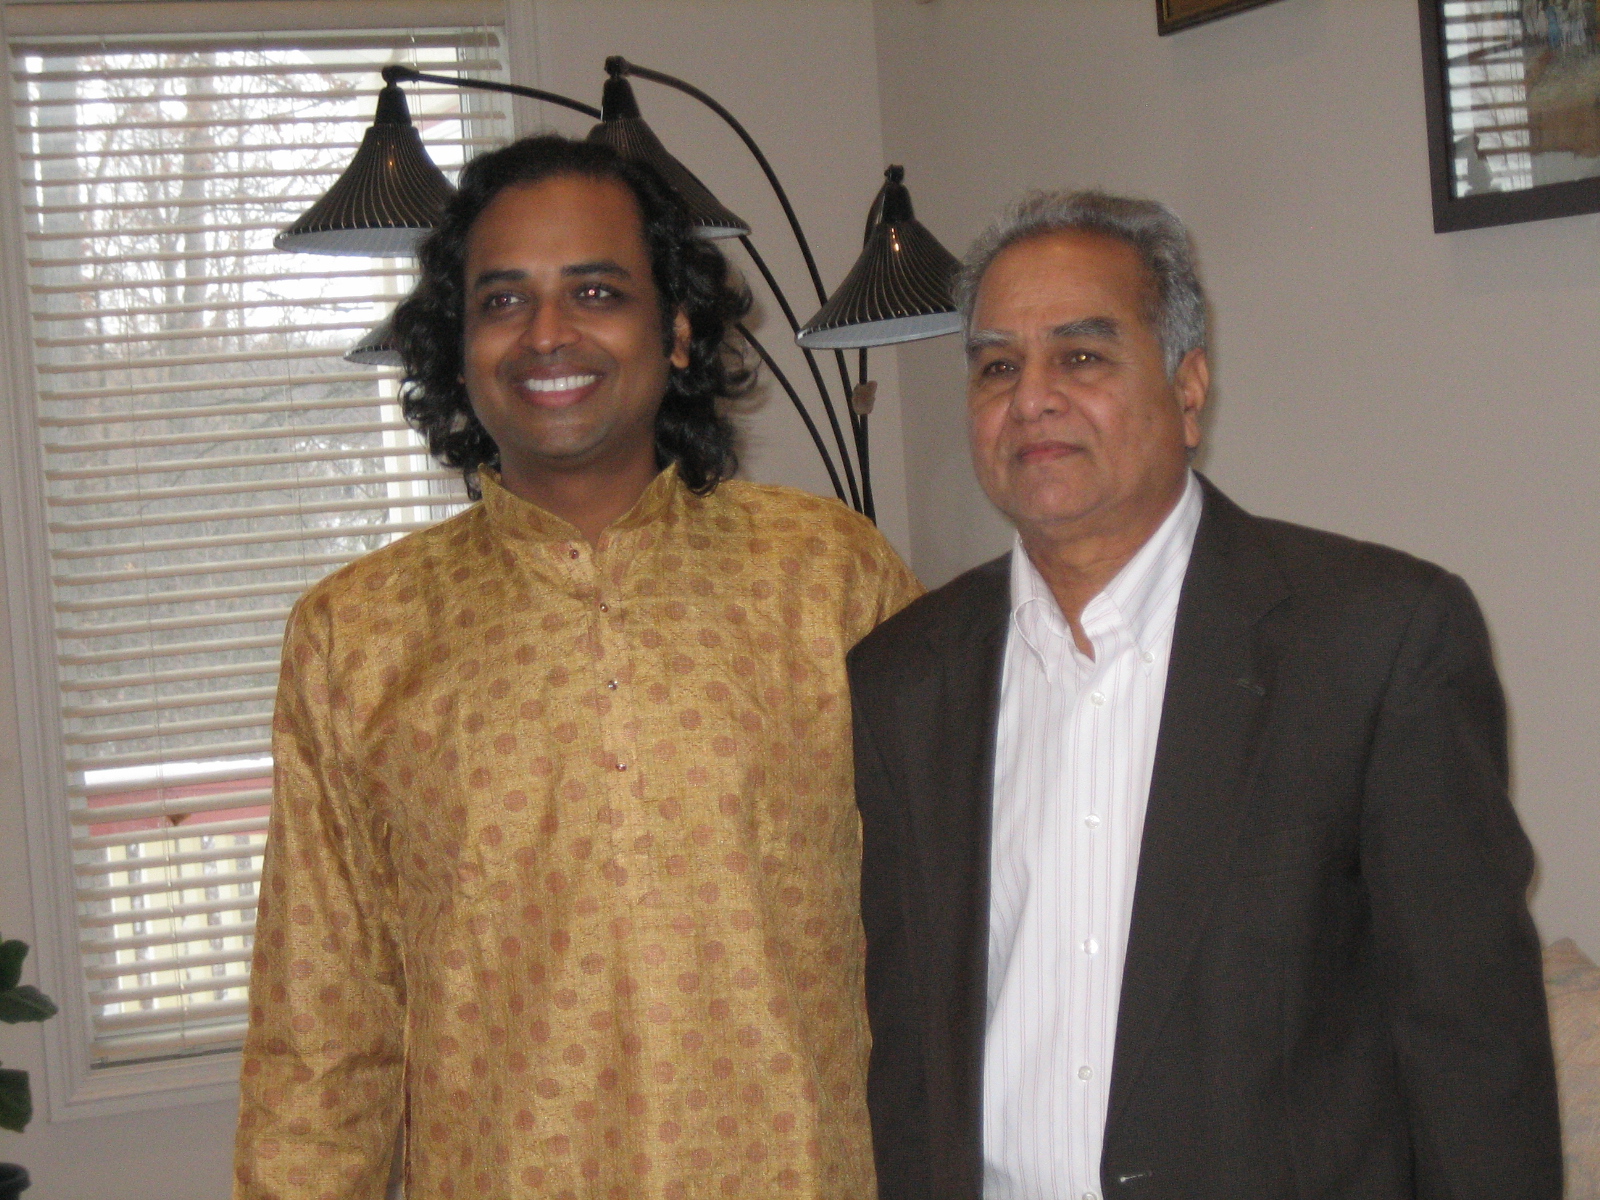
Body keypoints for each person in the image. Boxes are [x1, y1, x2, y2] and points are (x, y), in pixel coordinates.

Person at [233, 134, 920, 1200]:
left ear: (677, 328)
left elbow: (944, 943)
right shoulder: (358, 637)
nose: (546, 333)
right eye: (502, 301)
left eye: (596, 291)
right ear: (457, 345)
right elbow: (321, 1035)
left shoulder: (829, 579)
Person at [846, 190, 1562, 1200]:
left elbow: (1474, 1051)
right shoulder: (903, 679)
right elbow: (911, 1057)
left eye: (1081, 356)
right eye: (997, 365)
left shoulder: (1375, 642)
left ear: (1188, 390)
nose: (1032, 398)